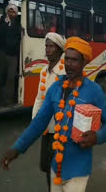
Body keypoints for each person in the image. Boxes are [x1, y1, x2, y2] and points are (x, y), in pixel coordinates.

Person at [0, 37, 106, 192]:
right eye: (66, 59)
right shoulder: (55, 88)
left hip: (78, 170)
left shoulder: (94, 91)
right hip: (56, 166)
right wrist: (17, 148)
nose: (69, 64)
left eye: (74, 60)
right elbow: (39, 123)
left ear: (84, 62)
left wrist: (97, 137)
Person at [31, 33, 66, 191]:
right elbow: (39, 98)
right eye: (46, 46)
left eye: (51, 46)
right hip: (46, 129)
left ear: (59, 50)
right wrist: (35, 122)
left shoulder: (65, 72)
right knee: (46, 166)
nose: (48, 49)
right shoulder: (44, 71)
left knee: (57, 167)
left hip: (60, 130)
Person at [0, 3, 22, 107]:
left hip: (13, 55)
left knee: (10, 79)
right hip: (2, 54)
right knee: (0, 77)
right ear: (7, 12)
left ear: (16, 14)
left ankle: (8, 101)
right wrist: (5, 25)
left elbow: (18, 37)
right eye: (10, 11)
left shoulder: (18, 23)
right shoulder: (3, 21)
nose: (11, 13)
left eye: (13, 11)